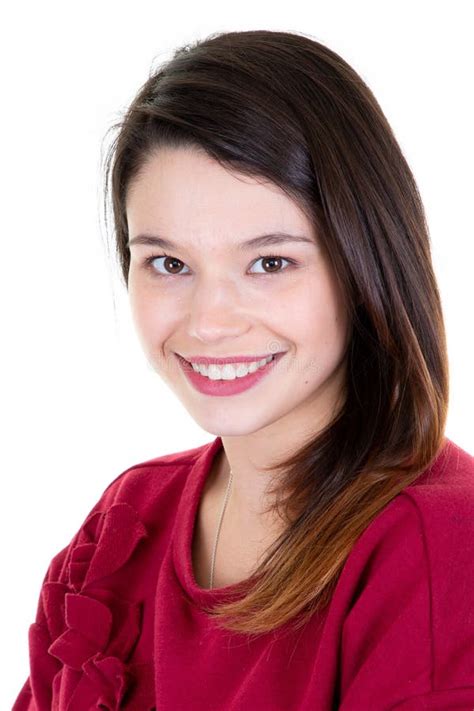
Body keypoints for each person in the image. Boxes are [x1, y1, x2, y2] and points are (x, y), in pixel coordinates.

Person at [13, 29, 474, 711]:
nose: (209, 321)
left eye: (270, 262)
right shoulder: (124, 524)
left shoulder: (440, 547)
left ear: (363, 263)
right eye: (169, 264)